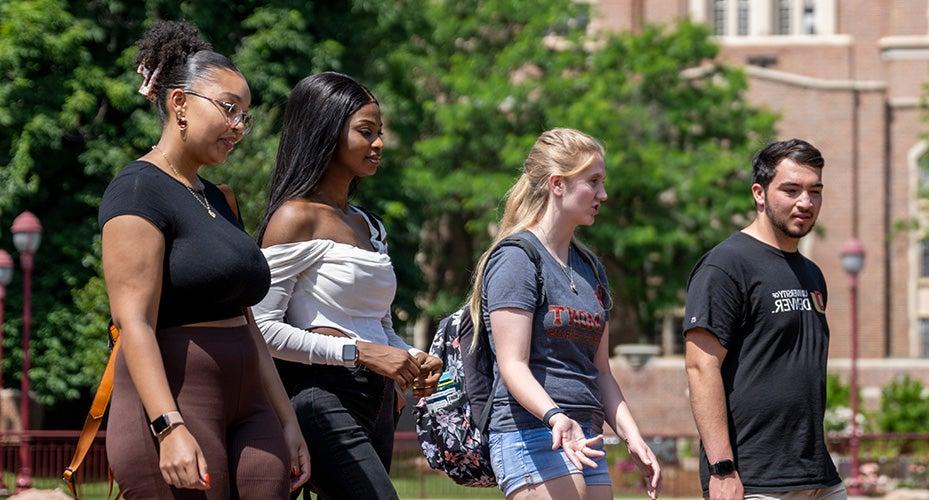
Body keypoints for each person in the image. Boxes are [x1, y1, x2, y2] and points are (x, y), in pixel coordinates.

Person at [99, 20, 309, 499]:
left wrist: (286, 419)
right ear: (179, 104)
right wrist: (168, 426)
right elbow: (132, 321)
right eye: (229, 109)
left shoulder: (218, 198)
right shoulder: (136, 189)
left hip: (251, 404)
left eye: (245, 116)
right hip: (177, 398)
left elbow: (246, 318)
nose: (238, 127)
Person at [252, 71, 442, 499]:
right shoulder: (294, 218)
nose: (378, 144)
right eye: (365, 131)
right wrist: (359, 353)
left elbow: (379, 326)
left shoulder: (368, 224)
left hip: (378, 399)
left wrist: (412, 358)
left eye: (380, 132)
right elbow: (261, 331)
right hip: (322, 397)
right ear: (326, 131)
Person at [465, 128, 661, 500]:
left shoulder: (591, 268)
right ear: (557, 184)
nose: (603, 194)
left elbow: (600, 371)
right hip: (532, 431)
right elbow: (513, 365)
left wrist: (633, 437)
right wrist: (555, 416)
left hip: (585, 433)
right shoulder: (517, 259)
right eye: (594, 182)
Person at [683, 139, 845, 500]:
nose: (805, 202)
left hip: (818, 474)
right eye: (791, 190)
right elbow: (700, 367)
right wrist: (722, 469)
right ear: (759, 193)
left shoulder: (812, 274)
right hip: (754, 480)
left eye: (814, 191)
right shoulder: (725, 266)